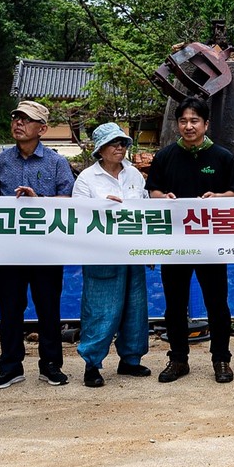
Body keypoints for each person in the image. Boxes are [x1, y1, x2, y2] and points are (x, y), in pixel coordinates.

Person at [145, 97, 234, 384]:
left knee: (217, 303)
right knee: (174, 304)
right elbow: (153, 192)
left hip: (211, 243)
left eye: (194, 121)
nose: (189, 126)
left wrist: (219, 197)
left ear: (206, 124)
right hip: (175, 243)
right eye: (184, 121)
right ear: (178, 124)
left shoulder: (222, 157)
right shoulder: (165, 156)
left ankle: (221, 359)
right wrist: (164, 198)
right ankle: (178, 359)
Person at [0, 100, 76, 389]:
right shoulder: (1, 161)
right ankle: (10, 366)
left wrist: (40, 201)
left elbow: (69, 201)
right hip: (8, 248)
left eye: (26, 119)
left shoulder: (56, 162)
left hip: (46, 248)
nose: (18, 123)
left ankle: (51, 365)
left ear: (42, 129)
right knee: (9, 308)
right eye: (16, 118)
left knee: (48, 307)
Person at [74, 123, 151, 388]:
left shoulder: (134, 175)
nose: (120, 147)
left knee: (135, 308)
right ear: (100, 149)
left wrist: (150, 247)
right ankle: (92, 363)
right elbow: (77, 216)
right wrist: (101, 207)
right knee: (100, 309)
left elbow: (146, 211)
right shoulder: (87, 179)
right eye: (113, 143)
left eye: (123, 143)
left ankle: (131, 359)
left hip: (132, 251)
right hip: (101, 254)